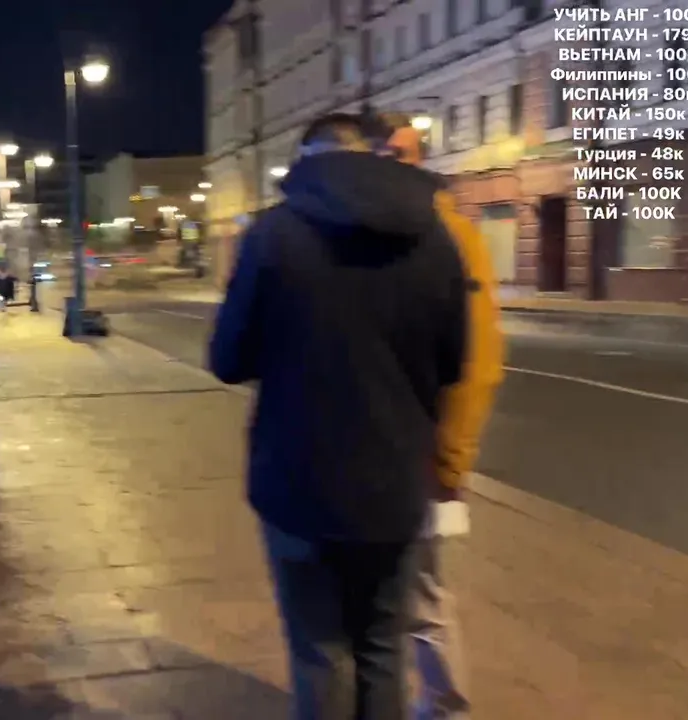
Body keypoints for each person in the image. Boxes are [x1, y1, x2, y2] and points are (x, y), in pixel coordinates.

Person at [208, 112, 468, 720]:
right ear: (369, 154)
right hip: (396, 481)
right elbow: (454, 361)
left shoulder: (274, 234)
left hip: (298, 479)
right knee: (383, 646)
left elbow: (227, 359)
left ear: (307, 162)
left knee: (321, 651)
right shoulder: (432, 233)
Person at [372, 112, 505, 720]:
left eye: (403, 154)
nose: (393, 166)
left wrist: (450, 461)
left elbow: (477, 361)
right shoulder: (363, 229)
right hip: (364, 449)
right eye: (382, 155)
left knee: (421, 592)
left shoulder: (451, 233)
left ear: (420, 160)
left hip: (422, 455)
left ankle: (444, 707)